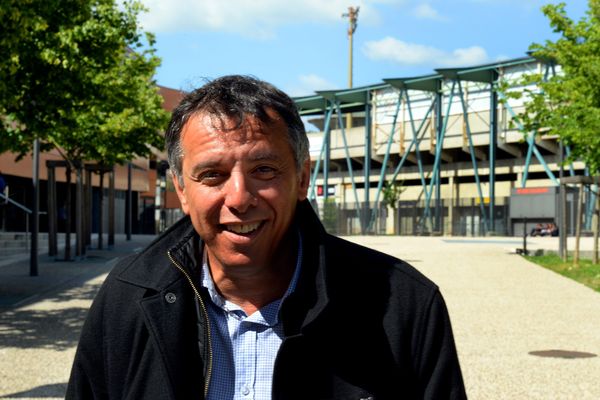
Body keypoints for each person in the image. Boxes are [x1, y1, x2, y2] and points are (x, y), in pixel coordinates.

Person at [67, 75, 466, 399]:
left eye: (264, 170)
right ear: (182, 190)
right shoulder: (127, 298)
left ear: (302, 178)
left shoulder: (404, 305)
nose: (239, 198)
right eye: (212, 175)